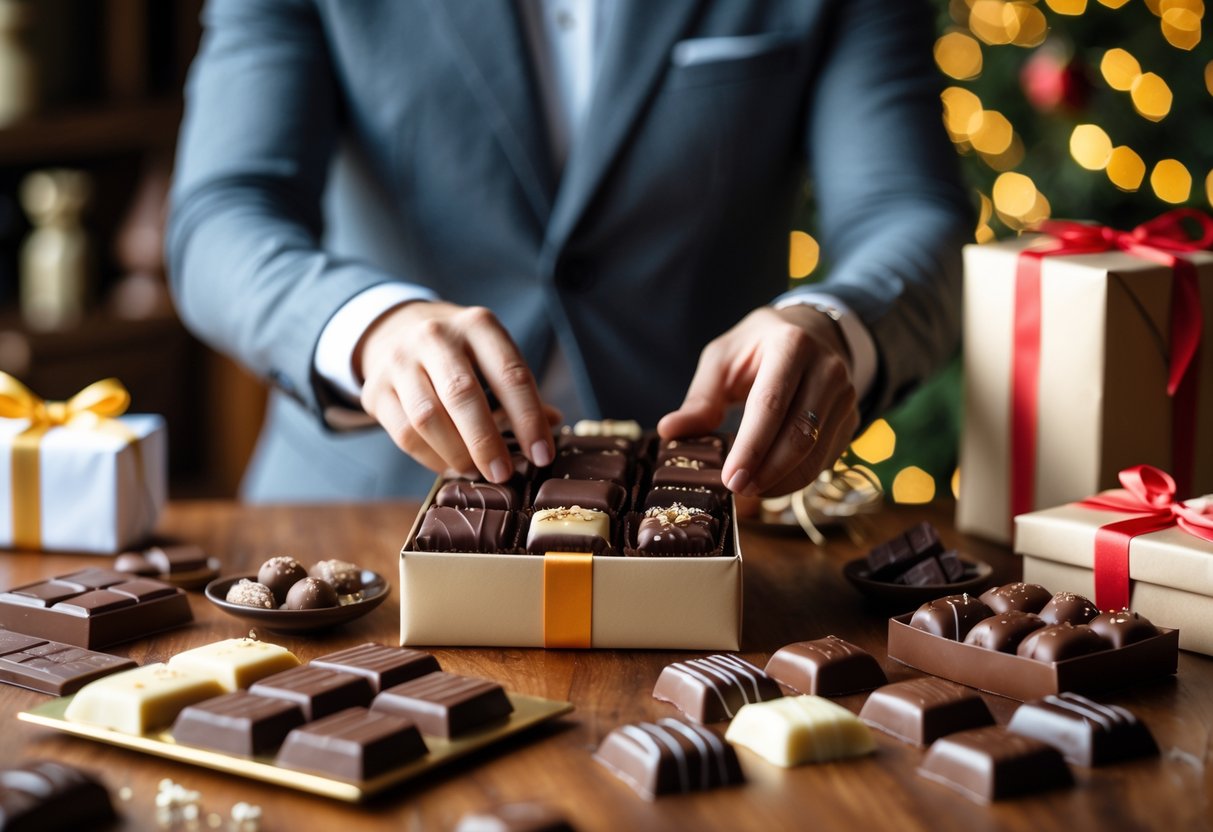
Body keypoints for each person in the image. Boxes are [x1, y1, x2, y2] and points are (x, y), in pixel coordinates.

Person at [167, 0, 970, 502]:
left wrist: (832, 321)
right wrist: (373, 326)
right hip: (364, 524)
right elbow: (222, 215)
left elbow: (906, 210)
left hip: (712, 530)